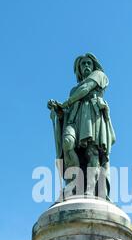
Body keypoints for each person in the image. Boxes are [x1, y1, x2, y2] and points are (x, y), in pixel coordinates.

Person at [48, 53, 116, 198]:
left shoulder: (99, 75)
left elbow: (86, 88)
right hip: (74, 119)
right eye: (83, 64)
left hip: (92, 114)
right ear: (79, 69)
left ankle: (90, 190)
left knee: (92, 152)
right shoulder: (73, 91)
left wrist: (66, 102)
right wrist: (59, 110)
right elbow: (67, 112)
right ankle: (75, 184)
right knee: (67, 144)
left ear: (93, 66)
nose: (86, 66)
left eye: (88, 64)